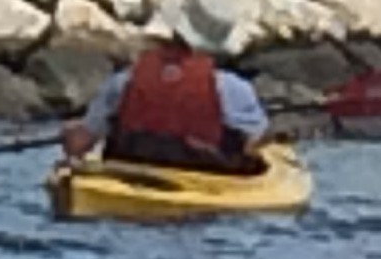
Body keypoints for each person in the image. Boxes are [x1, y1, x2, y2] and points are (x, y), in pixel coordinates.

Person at [62, 33, 272, 174]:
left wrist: (70, 138)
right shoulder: (232, 87)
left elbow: (80, 141)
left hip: (129, 167)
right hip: (203, 172)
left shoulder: (124, 80)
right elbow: (254, 140)